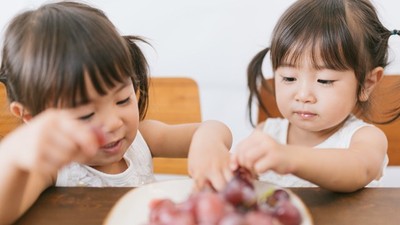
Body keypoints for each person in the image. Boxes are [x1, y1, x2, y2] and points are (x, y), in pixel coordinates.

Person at [0, 1, 232, 224]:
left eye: (122, 100)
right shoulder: (53, 168)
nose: (112, 123)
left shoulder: (143, 138)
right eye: (86, 115)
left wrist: (207, 143)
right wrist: (13, 155)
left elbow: (213, 129)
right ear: (32, 118)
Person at [231, 0, 396, 193]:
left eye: (324, 81)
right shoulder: (267, 133)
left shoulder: (365, 139)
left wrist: (288, 157)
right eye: (289, 78)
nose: (303, 96)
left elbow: (359, 169)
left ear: (366, 84)